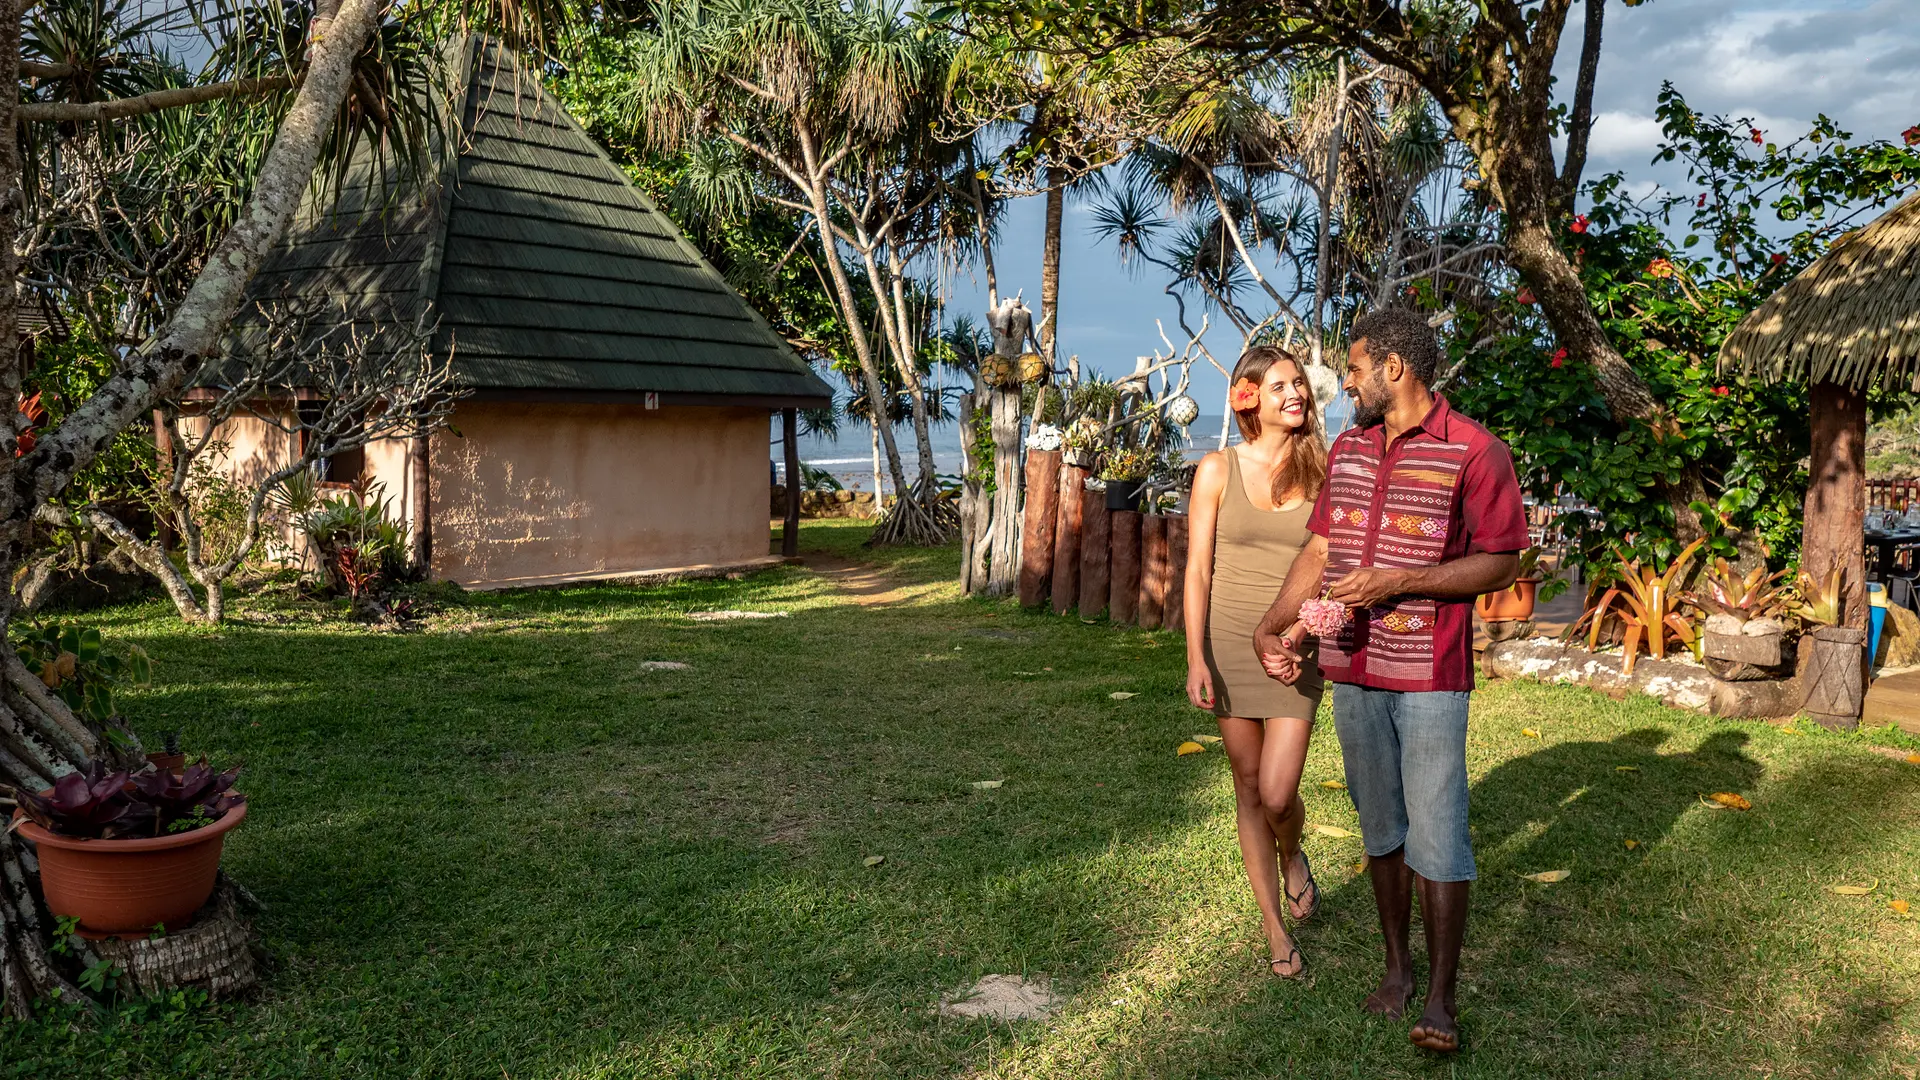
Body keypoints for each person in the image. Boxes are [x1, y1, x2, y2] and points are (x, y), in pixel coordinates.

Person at [1252, 309, 1528, 1053]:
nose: (1343, 380)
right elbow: (1323, 547)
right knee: (1382, 830)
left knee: (1438, 836)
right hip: (1354, 673)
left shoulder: (1475, 451)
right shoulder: (1348, 447)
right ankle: (1397, 970)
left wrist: (1399, 580)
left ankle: (1440, 997)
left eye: (1354, 366)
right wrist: (1275, 623)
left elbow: (1503, 560)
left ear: (1395, 369)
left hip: (1430, 675)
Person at [1183, 345, 1329, 979]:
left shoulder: (1322, 469)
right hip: (1228, 645)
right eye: (1279, 386)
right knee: (1247, 787)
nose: (1294, 394)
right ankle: (1274, 927)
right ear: (1247, 397)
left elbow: (1329, 563)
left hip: (1296, 645)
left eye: (1298, 384)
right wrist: (1195, 658)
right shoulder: (1216, 470)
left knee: (1277, 791)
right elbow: (1196, 571)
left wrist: (1295, 635)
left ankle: (1291, 852)